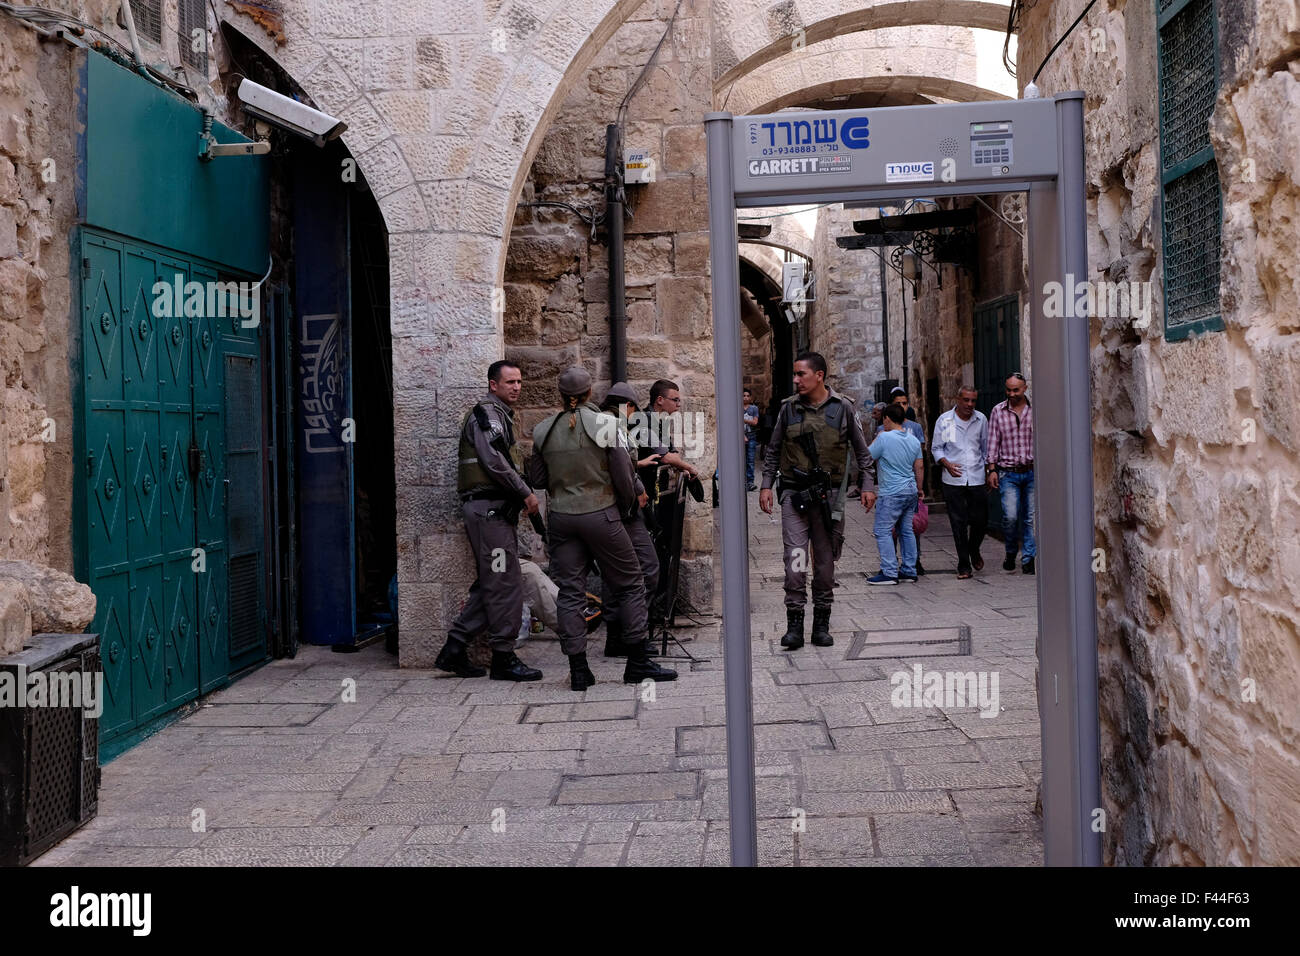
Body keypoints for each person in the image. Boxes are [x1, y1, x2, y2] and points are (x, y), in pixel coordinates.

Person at [528, 367, 677, 690]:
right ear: (589, 392)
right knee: (630, 582)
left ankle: (579, 669)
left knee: (570, 592)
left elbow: (537, 479)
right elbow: (624, 475)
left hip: (562, 518)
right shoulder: (607, 425)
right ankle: (637, 661)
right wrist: (629, 504)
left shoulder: (543, 430)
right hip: (602, 514)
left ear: (560, 394)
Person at [433, 360, 543, 682]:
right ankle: (504, 659)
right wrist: (526, 493)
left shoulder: (500, 416)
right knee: (504, 582)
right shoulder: (487, 416)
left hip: (493, 514)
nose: (517, 387)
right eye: (510, 382)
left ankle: (454, 649)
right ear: (493, 385)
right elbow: (494, 462)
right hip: (489, 514)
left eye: (519, 381)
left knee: (494, 580)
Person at [760, 352, 875, 650]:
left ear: (819, 375)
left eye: (801, 374)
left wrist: (867, 485)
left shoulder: (843, 409)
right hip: (795, 496)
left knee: (825, 565)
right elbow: (772, 451)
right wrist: (766, 486)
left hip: (830, 499)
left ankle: (821, 624)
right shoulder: (788, 410)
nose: (796, 380)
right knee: (795, 561)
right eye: (795, 375)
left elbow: (863, 453)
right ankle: (794, 624)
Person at [598, 382, 659, 657]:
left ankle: (616, 636)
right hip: (623, 511)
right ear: (628, 406)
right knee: (647, 567)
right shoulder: (615, 426)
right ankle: (634, 635)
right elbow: (621, 467)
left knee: (613, 574)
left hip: (603, 510)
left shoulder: (597, 423)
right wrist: (636, 495)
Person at [931, 385, 989, 579]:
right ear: (958, 399)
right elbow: (937, 448)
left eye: (973, 401)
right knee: (958, 522)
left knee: (980, 521)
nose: (969, 404)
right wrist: (946, 464)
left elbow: (985, 448)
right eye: (966, 400)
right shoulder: (945, 421)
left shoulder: (981, 420)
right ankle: (964, 565)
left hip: (976, 476)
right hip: (952, 479)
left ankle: (973, 549)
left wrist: (989, 470)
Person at [867, 404, 924, 584]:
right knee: (906, 530)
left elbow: (867, 456)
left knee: (882, 530)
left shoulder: (884, 437)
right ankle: (909, 569)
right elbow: (919, 465)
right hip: (910, 489)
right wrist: (920, 488)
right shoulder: (913, 439)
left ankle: (889, 571)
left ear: (887, 419)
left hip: (891, 491)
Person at [986, 372, 1036, 574]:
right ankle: (1010, 551)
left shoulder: (1036, 409)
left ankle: (1028, 558)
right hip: (1008, 473)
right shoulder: (998, 411)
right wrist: (991, 469)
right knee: (1010, 517)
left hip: (1032, 472)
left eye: (1016, 389)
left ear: (1024, 388)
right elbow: (992, 442)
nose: (1011, 393)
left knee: (1031, 518)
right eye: (1008, 389)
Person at [888, 387, 928, 574]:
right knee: (892, 526)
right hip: (891, 483)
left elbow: (919, 459)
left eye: (905, 403)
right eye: (898, 404)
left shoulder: (915, 427)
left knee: (912, 523)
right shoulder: (884, 427)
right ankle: (893, 561)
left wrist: (920, 485)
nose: (902, 407)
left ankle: (914, 560)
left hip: (910, 482)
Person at [743, 388, 760, 491]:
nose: (745, 397)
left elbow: (755, 422)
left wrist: (742, 419)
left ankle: (750, 482)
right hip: (740, 437)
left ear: (750, 397)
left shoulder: (754, 408)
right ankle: (741, 481)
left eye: (748, 396)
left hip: (751, 437)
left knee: (750, 460)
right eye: (744, 395)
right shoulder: (737, 407)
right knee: (741, 460)